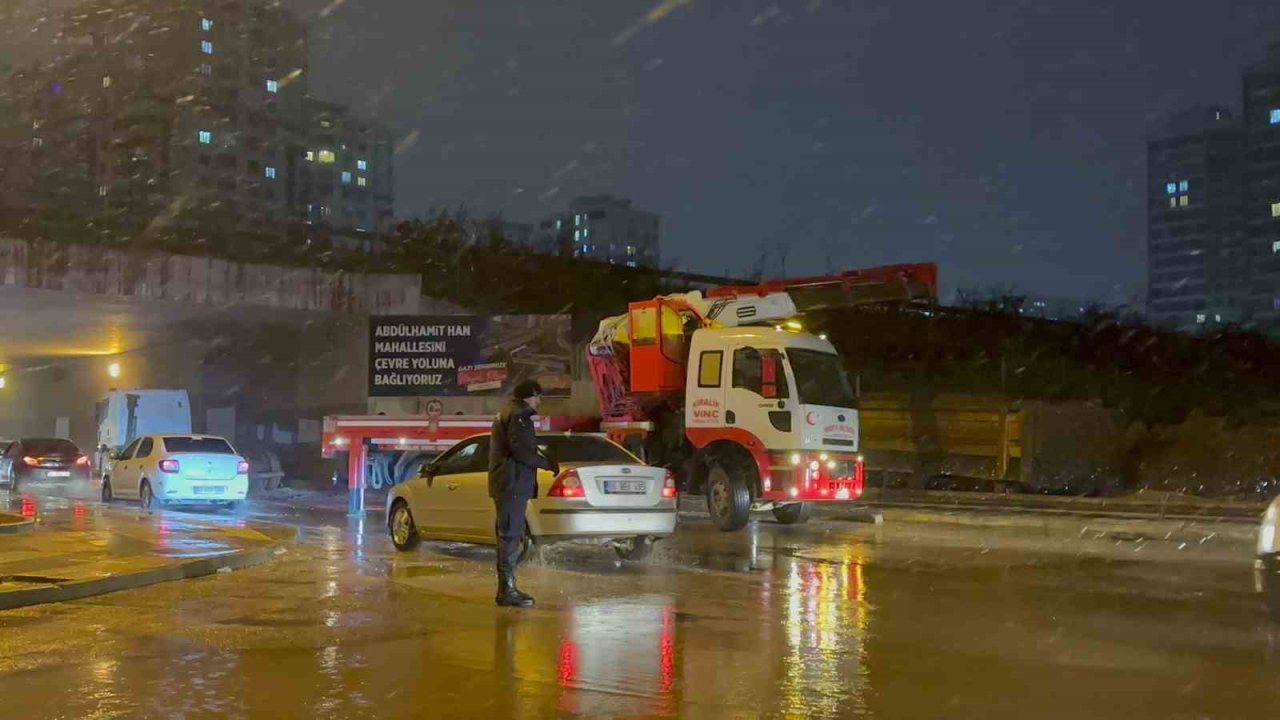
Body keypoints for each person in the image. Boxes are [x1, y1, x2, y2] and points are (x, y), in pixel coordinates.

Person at [489, 380, 558, 607]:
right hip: (513, 483)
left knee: (509, 534)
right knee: (509, 535)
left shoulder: (510, 413)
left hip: (510, 482)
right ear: (530, 396)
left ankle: (507, 587)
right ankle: (507, 590)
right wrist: (546, 463)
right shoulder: (519, 416)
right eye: (538, 397)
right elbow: (521, 451)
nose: (539, 402)